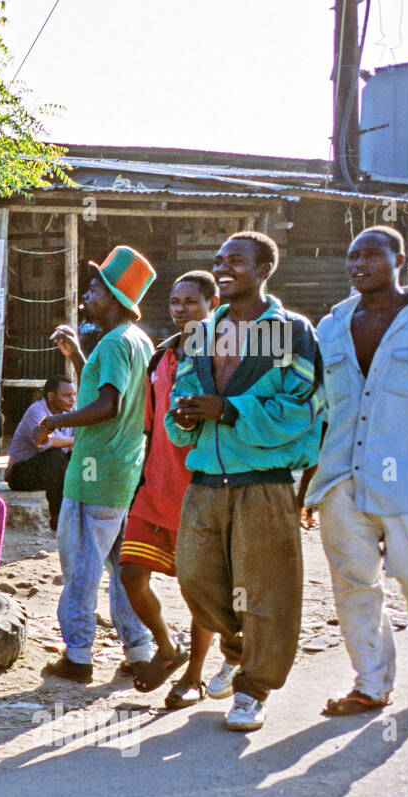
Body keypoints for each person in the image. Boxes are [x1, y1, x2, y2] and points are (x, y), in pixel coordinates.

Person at [167, 232, 325, 732]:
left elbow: (305, 408)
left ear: (263, 269)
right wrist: (188, 415)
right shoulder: (203, 332)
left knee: (267, 591)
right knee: (194, 578)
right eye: (218, 260)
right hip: (208, 479)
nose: (222, 267)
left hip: (264, 481)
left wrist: (231, 409)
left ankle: (253, 690)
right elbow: (184, 392)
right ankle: (238, 647)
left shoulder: (290, 331)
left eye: (235, 260)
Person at [304, 225, 408, 714]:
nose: (359, 264)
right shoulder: (332, 326)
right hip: (342, 475)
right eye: (352, 257)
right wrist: (309, 482)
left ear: (399, 258)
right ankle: (371, 683)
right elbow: (319, 409)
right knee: (353, 584)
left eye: (371, 255)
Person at [33, 246, 157, 683]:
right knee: (124, 568)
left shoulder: (113, 342)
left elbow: (108, 404)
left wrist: (54, 420)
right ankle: (139, 649)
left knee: (80, 568)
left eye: (95, 287)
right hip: (125, 473)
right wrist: (75, 355)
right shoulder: (135, 341)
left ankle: (79, 655)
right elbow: (109, 394)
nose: (87, 294)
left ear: (115, 298)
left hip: (94, 473)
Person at [119, 271, 234, 707]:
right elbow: (150, 425)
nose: (180, 308)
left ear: (213, 302)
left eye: (190, 301)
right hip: (155, 486)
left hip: (202, 489)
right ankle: (167, 647)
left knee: (199, 589)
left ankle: (194, 675)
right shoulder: (162, 357)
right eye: (174, 301)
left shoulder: (227, 357)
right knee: (132, 574)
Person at [6, 374, 76, 531]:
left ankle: (88, 507)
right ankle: (58, 517)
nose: (72, 400)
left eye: (73, 395)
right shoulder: (37, 411)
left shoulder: (71, 411)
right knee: (55, 455)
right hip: (21, 473)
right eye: (66, 395)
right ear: (51, 396)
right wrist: (77, 442)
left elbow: (84, 437)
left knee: (85, 458)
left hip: (50, 472)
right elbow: (46, 443)